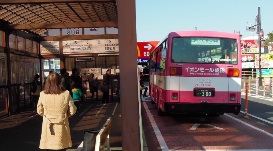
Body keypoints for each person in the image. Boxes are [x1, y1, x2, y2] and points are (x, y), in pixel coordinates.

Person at [37, 72, 77, 151]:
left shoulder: (42, 94)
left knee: (48, 146)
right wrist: (66, 115)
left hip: (47, 124)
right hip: (62, 124)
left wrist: (46, 114)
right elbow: (72, 110)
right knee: (61, 146)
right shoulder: (66, 94)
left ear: (47, 82)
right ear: (60, 81)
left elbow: (39, 110)